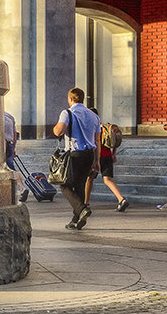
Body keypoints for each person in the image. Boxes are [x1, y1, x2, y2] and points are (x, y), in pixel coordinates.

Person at [53, 87, 100, 230]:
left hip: (74, 154)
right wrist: (96, 161)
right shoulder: (93, 115)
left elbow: (59, 131)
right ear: (83, 99)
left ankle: (82, 209)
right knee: (79, 185)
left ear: (71, 99)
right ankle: (76, 218)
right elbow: (97, 140)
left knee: (64, 183)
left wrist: (55, 129)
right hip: (89, 153)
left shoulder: (67, 112)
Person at [85, 108, 130, 212]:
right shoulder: (106, 127)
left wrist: (96, 160)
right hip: (108, 156)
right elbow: (114, 139)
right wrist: (113, 153)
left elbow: (95, 143)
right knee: (107, 179)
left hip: (97, 157)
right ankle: (121, 199)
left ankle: (85, 203)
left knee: (89, 179)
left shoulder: (92, 127)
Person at [3, 110, 24, 201]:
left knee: (9, 168)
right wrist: (14, 148)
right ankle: (14, 190)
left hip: (3, 144)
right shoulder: (10, 116)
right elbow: (15, 134)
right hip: (10, 144)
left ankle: (22, 188)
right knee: (11, 167)